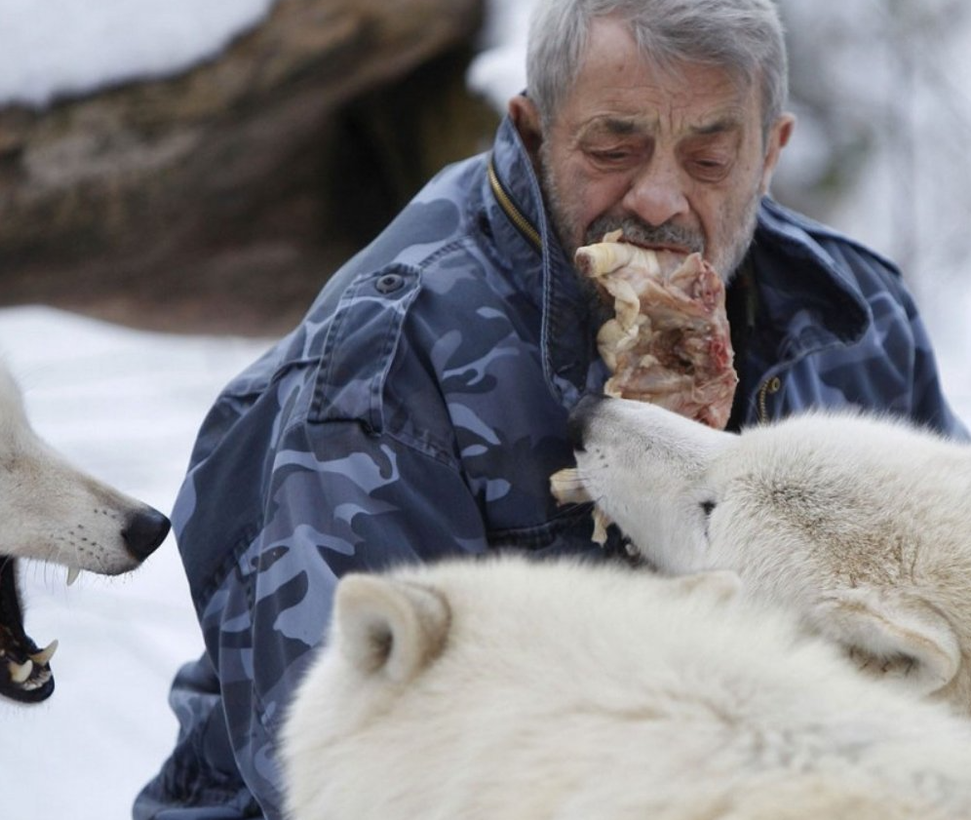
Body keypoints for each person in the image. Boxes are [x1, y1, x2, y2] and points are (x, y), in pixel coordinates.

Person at [135, 1, 968, 817]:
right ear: (534, 133)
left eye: (711, 159)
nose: (659, 200)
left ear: (771, 151)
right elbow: (347, 757)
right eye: (614, 147)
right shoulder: (378, 367)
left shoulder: (858, 319)